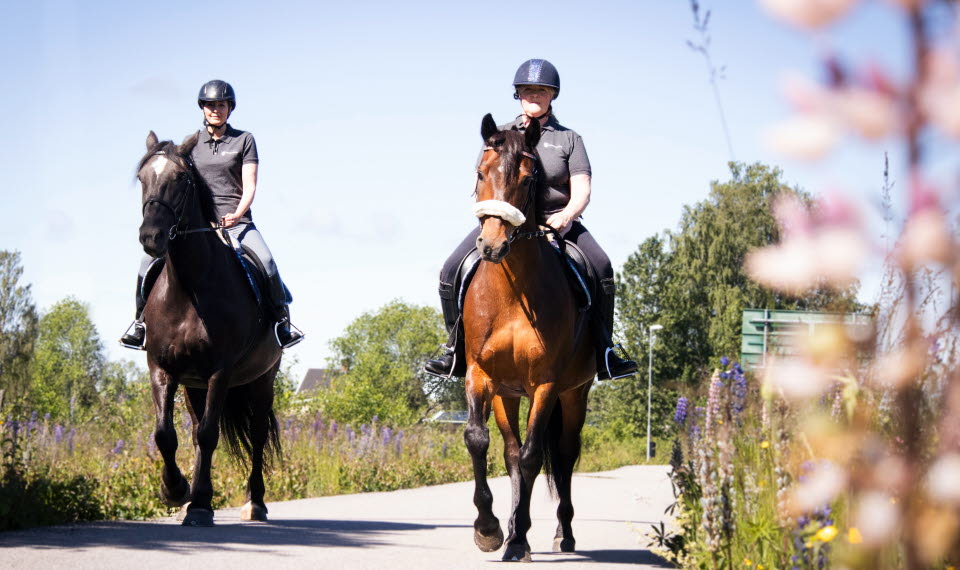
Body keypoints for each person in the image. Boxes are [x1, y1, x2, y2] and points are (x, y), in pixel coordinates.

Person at [424, 59, 638, 380]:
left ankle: (606, 351)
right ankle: (454, 350)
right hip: (504, 221)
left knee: (602, 266)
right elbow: (483, 180)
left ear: (553, 95)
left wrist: (567, 215)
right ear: (518, 95)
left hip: (557, 221)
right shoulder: (499, 135)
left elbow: (582, 189)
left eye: (541, 90)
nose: (534, 95)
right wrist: (489, 216)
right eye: (527, 90)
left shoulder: (569, 139)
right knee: (451, 268)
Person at [120, 80, 303, 350]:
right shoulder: (192, 145)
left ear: (229, 108)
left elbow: (250, 185)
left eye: (221, 105)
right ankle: (139, 324)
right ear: (203, 108)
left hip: (237, 222)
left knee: (266, 261)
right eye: (210, 105)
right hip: (199, 224)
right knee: (146, 263)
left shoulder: (244, 140)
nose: (215, 110)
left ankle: (281, 324)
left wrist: (237, 214)